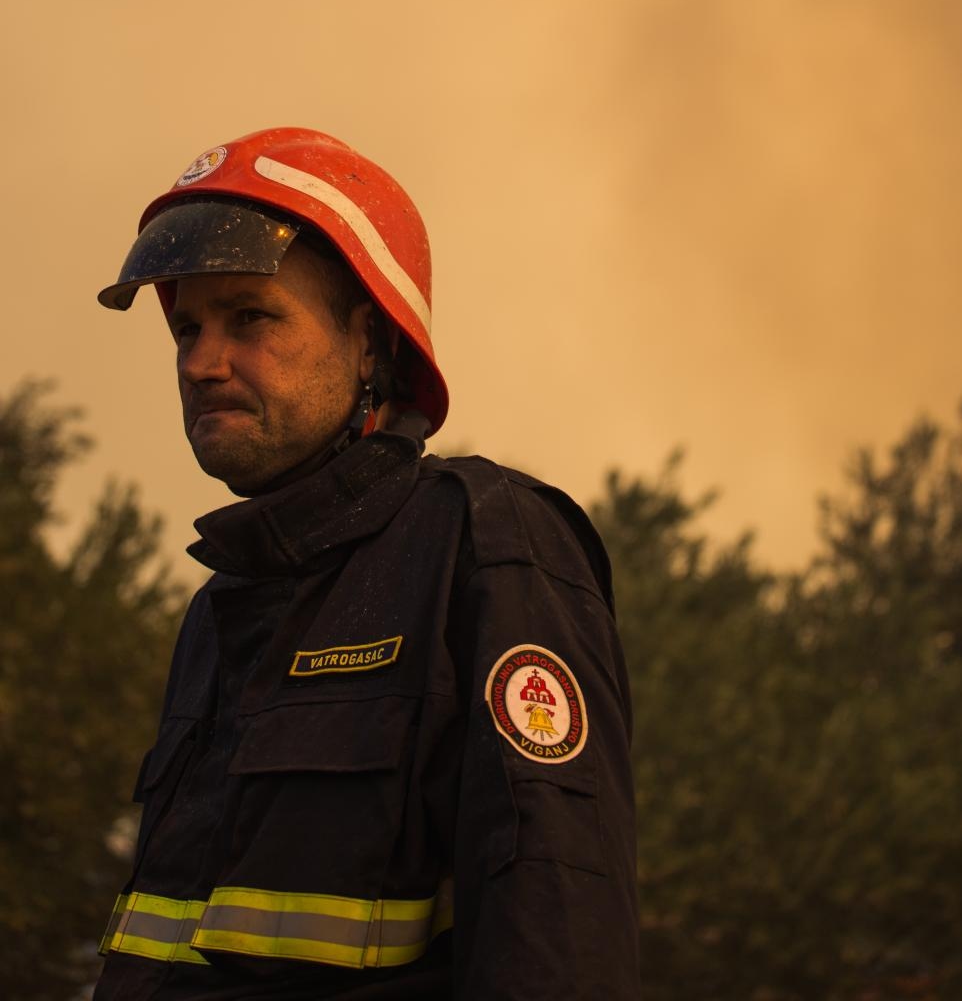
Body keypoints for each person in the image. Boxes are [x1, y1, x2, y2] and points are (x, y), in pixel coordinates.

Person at [92, 127, 640, 1000]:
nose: (200, 362)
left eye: (251, 317)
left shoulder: (488, 548)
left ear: (371, 342)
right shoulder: (220, 607)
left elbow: (559, 935)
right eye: (186, 328)